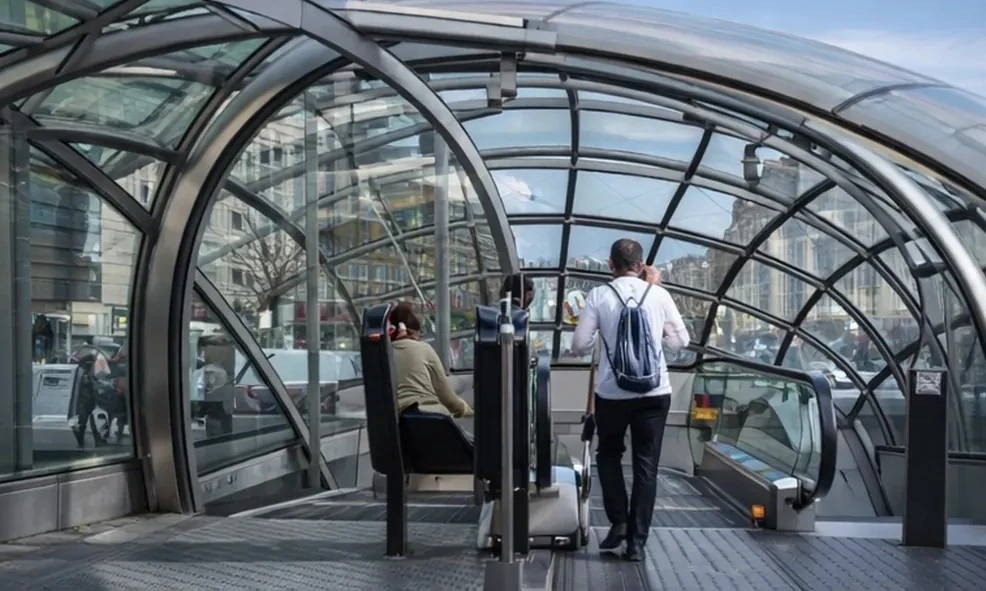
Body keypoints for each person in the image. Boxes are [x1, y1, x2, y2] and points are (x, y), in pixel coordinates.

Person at [571, 238, 690, 562]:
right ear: (642, 265)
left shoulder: (599, 295)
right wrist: (656, 332)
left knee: (608, 455)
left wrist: (600, 335)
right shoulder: (659, 294)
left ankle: (619, 522)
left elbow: (580, 344)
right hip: (654, 393)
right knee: (646, 466)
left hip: (612, 393)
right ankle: (637, 543)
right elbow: (682, 341)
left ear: (610, 264)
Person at [390, 302, 473, 418]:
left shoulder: (386, 353)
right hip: (429, 417)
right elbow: (448, 398)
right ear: (415, 331)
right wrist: (469, 411)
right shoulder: (423, 349)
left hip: (399, 420)